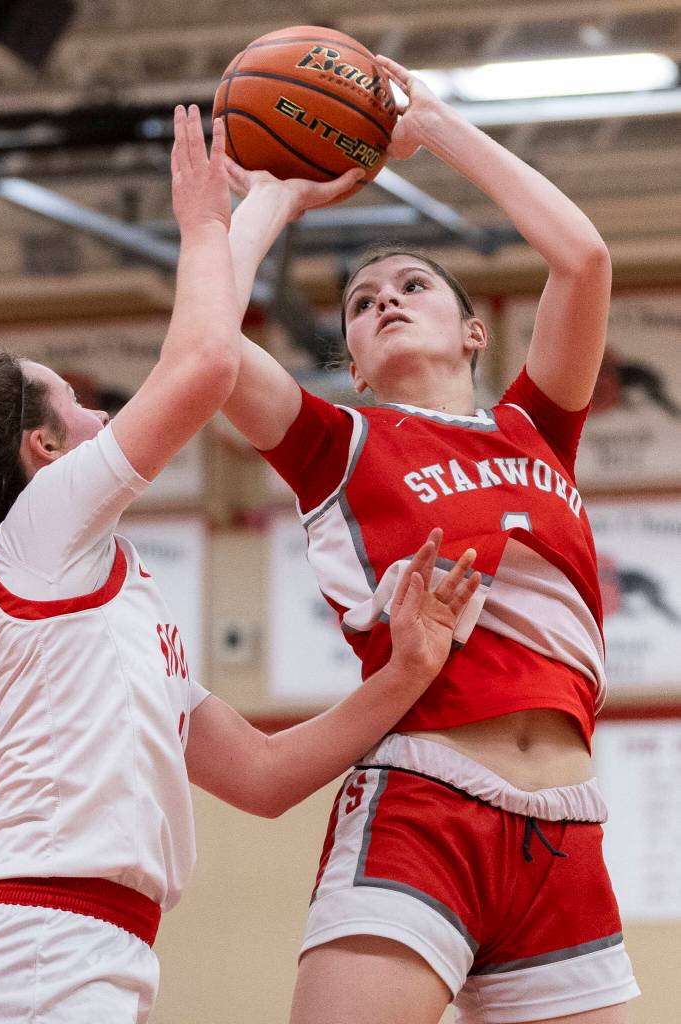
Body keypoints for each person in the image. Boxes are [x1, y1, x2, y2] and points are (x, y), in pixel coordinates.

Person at [0, 105, 479, 1024]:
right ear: (45, 448)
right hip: (34, 953)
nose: (107, 418)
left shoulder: (101, 597)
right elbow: (204, 360)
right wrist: (212, 225)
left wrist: (408, 672)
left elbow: (261, 776)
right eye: (81, 405)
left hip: (91, 948)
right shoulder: (40, 531)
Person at [220, 55, 640, 1024]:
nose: (385, 301)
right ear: (354, 363)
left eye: (411, 284)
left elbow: (581, 258)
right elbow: (204, 346)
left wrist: (435, 125)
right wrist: (271, 197)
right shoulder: (337, 443)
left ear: (471, 333)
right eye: (360, 306)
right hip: (422, 802)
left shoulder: (536, 428)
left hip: (564, 832)